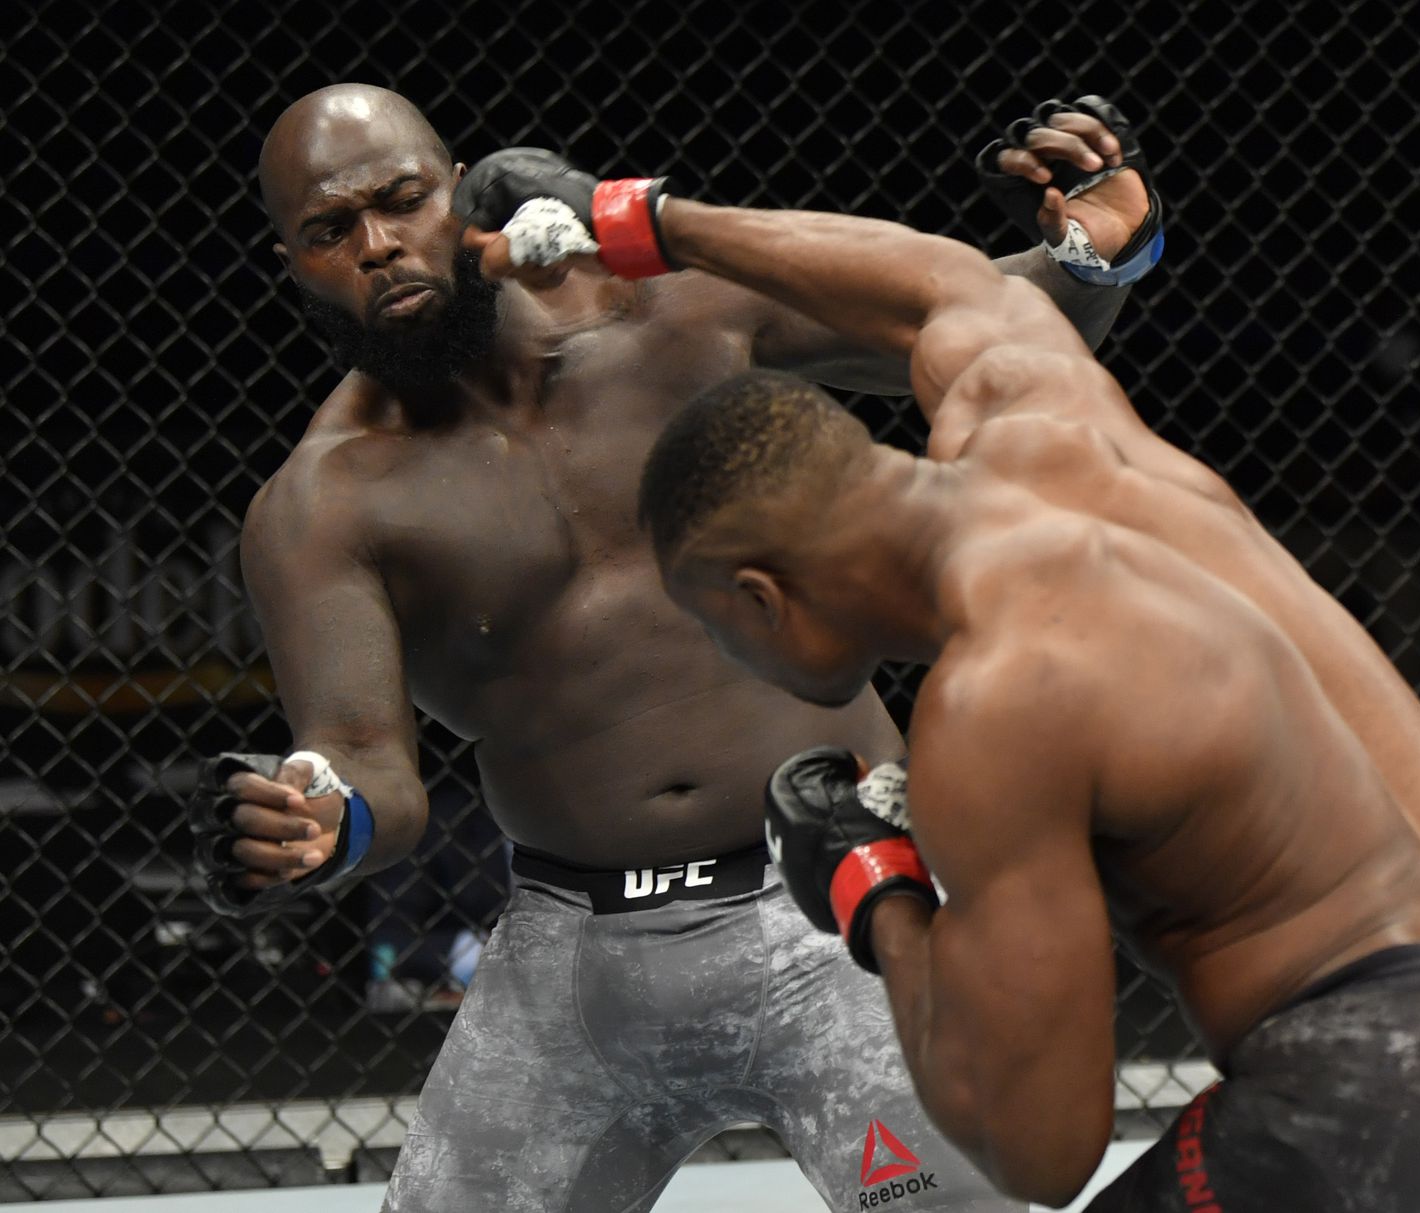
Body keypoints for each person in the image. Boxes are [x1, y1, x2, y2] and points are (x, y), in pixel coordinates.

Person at [609, 191, 1420, 1208]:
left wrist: (875, 891)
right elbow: (943, 281)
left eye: (714, 627)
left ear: (760, 596)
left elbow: (1040, 1149)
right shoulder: (1049, 424)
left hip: (1397, 1085)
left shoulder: (996, 700)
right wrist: (647, 220)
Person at [188, 82, 1161, 1211]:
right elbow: (366, 766)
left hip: (844, 896)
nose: (378, 246)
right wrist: (319, 824)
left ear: (455, 189)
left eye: (401, 200)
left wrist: (1093, 258)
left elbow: (979, 327)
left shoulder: (675, 310)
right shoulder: (324, 502)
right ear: (293, 262)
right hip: (576, 961)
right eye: (330, 229)